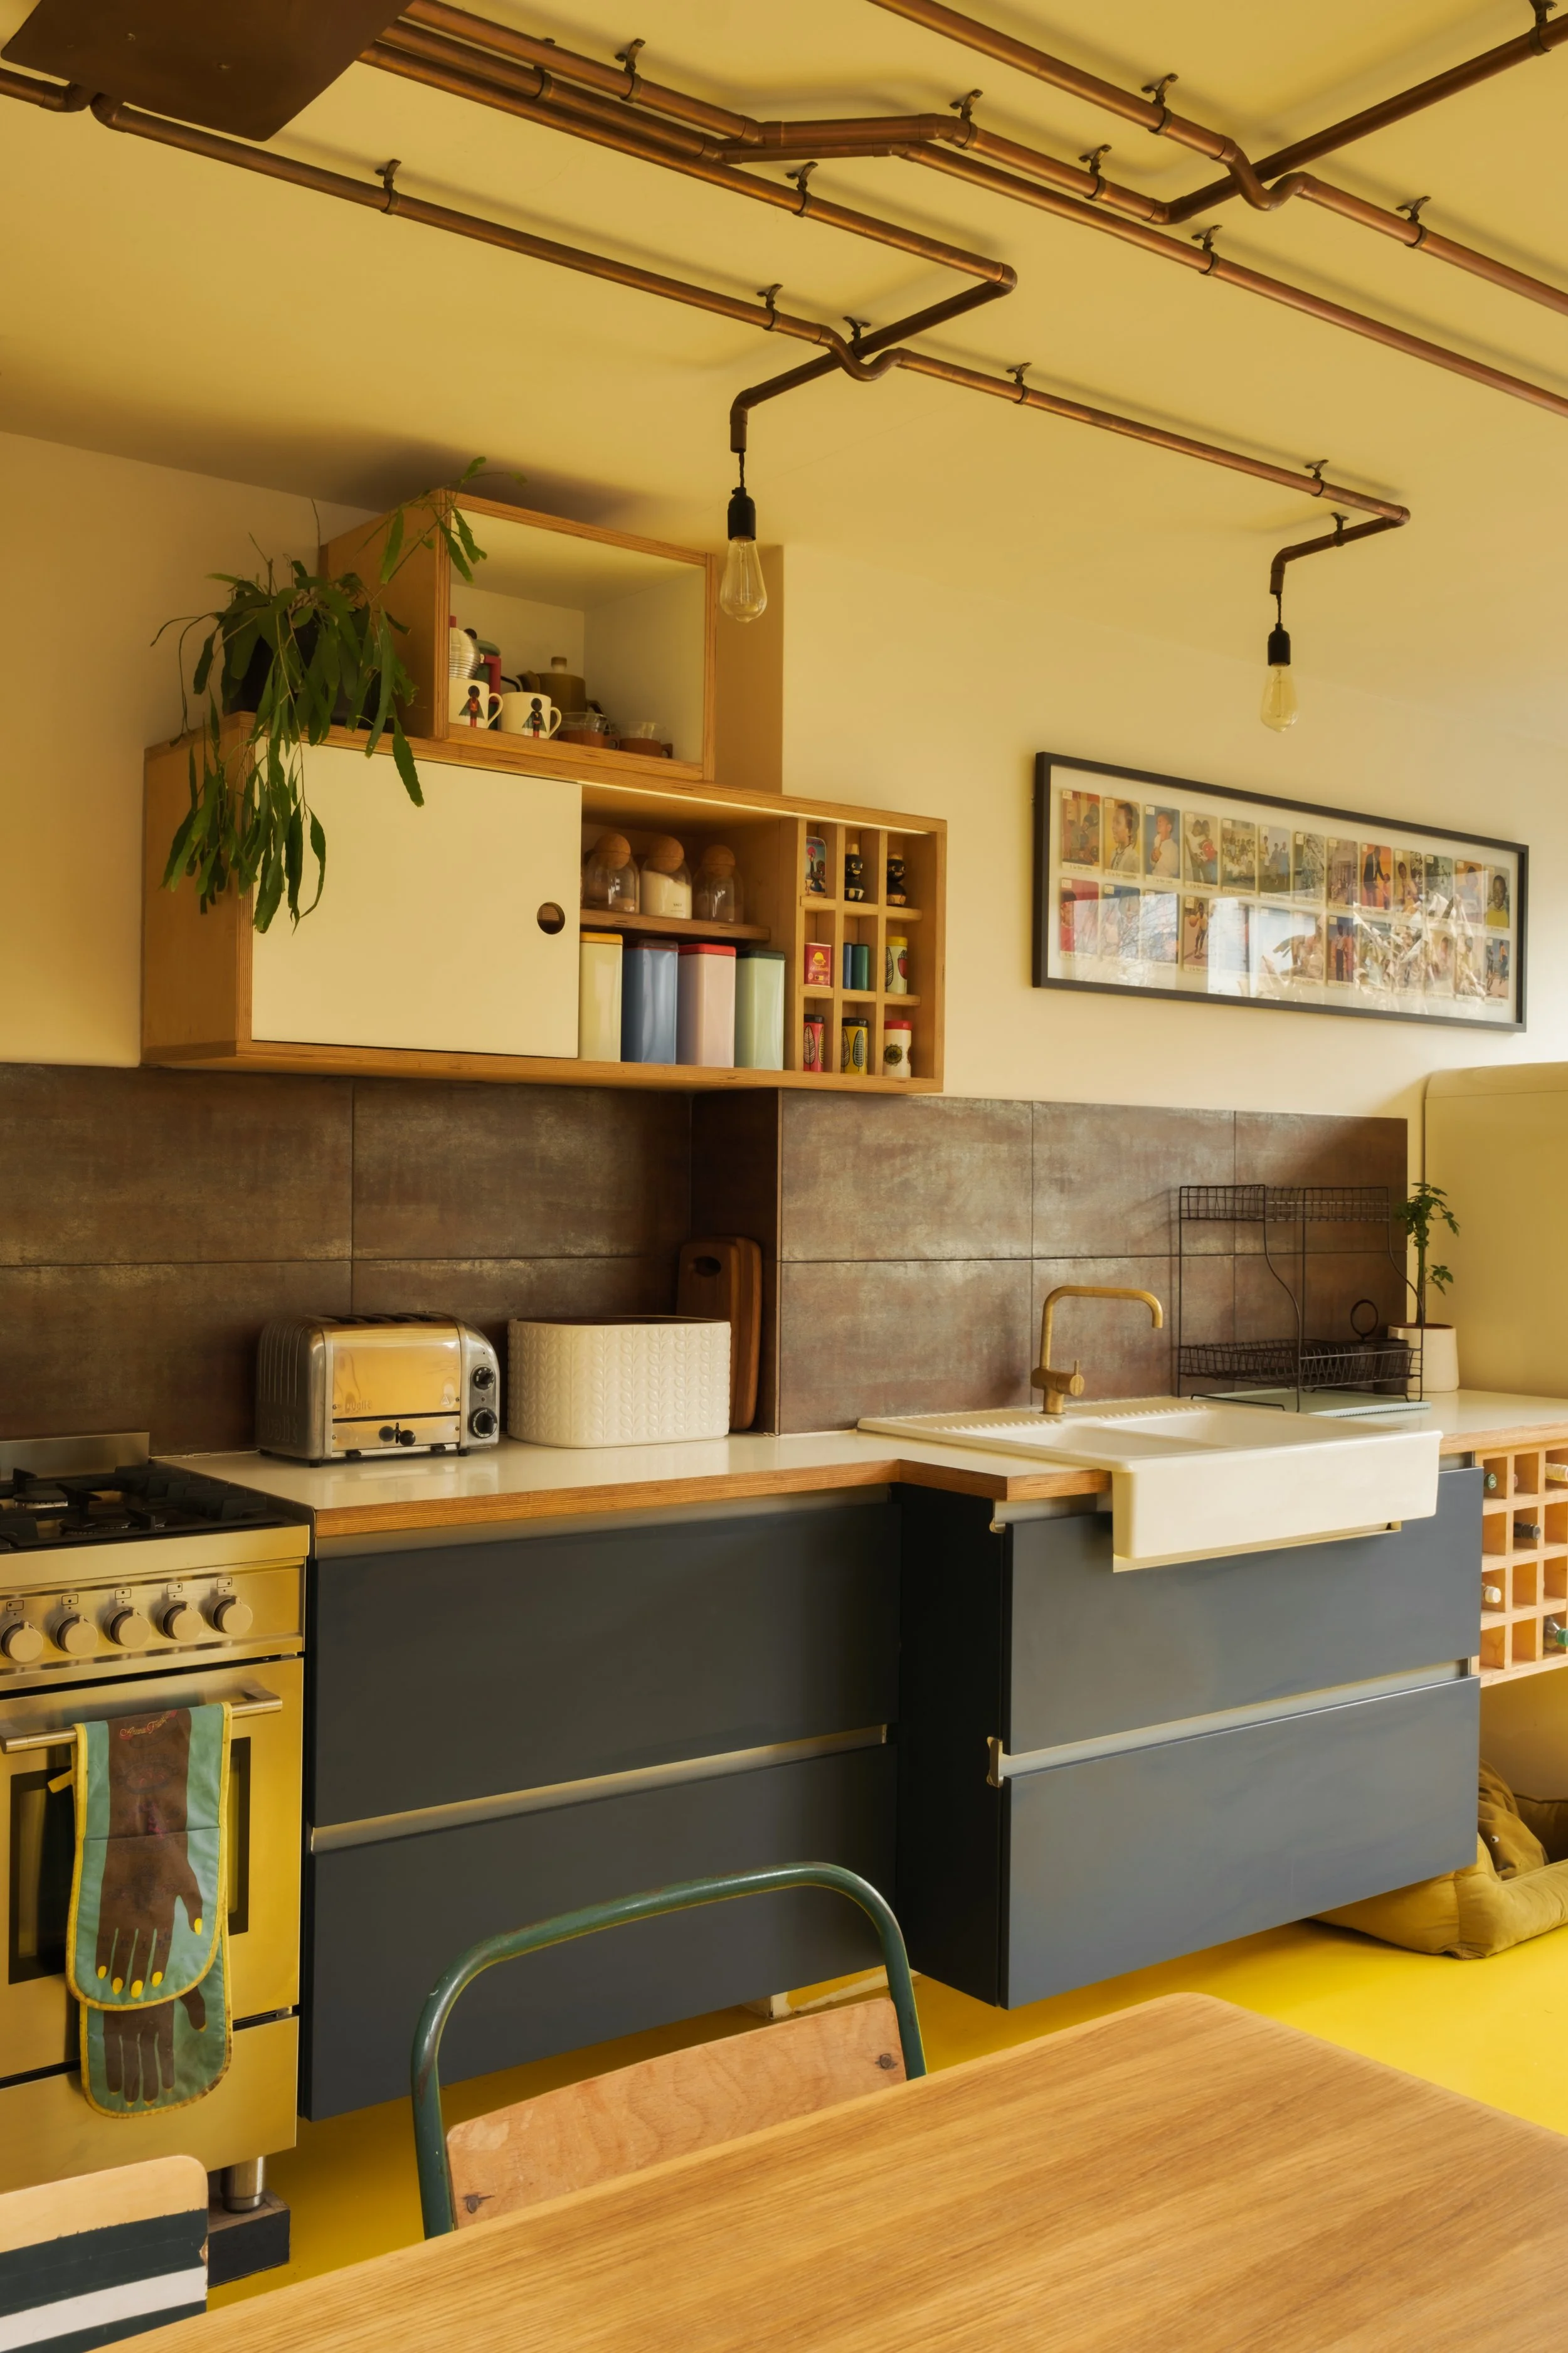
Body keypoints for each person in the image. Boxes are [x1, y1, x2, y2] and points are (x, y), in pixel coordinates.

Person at [1107, 800, 1140, 873]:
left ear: (1130, 831)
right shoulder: (1113, 854)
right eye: (1113, 821)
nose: (1113, 827)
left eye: (1118, 823)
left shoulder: (1134, 859)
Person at [1146, 809, 1179, 878]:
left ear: (1169, 828)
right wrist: (1152, 859)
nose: (1158, 825)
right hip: (1155, 877)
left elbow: (1175, 870)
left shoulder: (1173, 846)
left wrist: (1160, 856)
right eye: (1157, 823)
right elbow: (1153, 865)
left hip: (1166, 880)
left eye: (1160, 822)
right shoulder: (1157, 843)